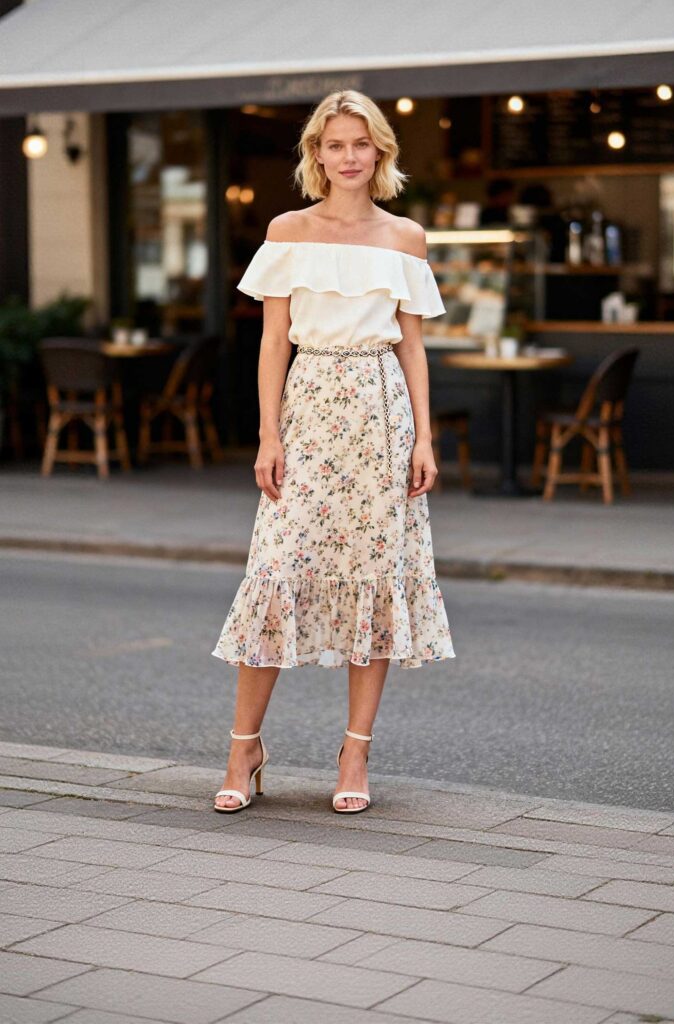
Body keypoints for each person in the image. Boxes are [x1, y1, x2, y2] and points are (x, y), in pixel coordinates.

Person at [211, 89, 456, 815]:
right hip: (308, 410)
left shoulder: (405, 237)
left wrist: (424, 436)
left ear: (380, 152)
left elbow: (412, 347)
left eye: (360, 143)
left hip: (381, 416)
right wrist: (268, 433)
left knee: (374, 580)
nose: (349, 156)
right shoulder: (287, 231)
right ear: (316, 154)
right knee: (275, 571)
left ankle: (354, 754)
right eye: (335, 144)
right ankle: (243, 748)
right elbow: (271, 343)